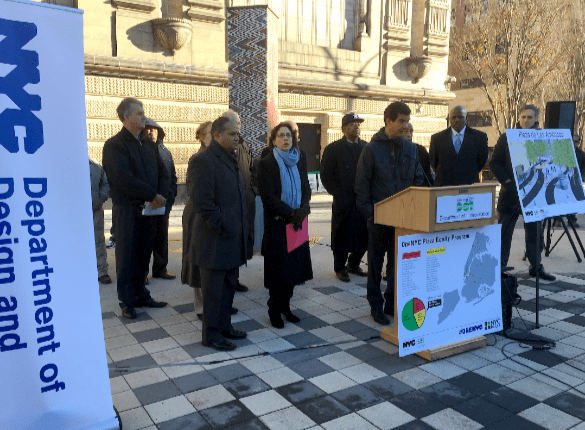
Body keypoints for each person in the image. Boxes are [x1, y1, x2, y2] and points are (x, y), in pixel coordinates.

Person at [355, 102, 424, 325]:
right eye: (401, 121)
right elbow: (361, 186)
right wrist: (371, 214)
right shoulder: (371, 150)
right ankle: (375, 305)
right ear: (388, 121)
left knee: (398, 264)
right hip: (378, 218)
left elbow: (419, 179)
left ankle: (391, 302)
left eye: (407, 121)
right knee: (375, 263)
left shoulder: (411, 149)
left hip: (403, 219)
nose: (405, 126)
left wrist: (412, 208)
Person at [102, 98, 170, 319]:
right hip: (128, 211)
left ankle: (142, 294)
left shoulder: (149, 145)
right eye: (139, 113)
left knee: (144, 254)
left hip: (150, 210)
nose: (144, 116)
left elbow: (163, 172)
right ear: (126, 117)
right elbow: (122, 178)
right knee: (127, 257)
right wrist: (152, 195)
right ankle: (127, 301)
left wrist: (160, 195)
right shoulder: (114, 145)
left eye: (143, 112)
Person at [188, 117, 248, 351]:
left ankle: (225, 327)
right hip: (214, 240)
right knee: (213, 293)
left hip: (232, 239)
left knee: (228, 288)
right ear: (216, 136)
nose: (237, 138)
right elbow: (203, 203)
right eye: (232, 134)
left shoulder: (230, 157)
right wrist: (222, 226)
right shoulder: (202, 160)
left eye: (238, 133)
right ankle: (211, 335)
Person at [489, 105, 556, 281]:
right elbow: (494, 163)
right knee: (504, 234)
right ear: (519, 118)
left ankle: (536, 267)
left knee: (535, 234)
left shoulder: (544, 139)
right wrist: (508, 182)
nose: (525, 120)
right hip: (510, 196)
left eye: (529, 117)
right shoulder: (506, 138)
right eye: (523, 117)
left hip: (534, 196)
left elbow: (551, 164)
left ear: (536, 119)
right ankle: (500, 268)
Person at [258, 122, 313, 329]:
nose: (285, 139)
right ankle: (274, 309)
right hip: (279, 225)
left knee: (293, 271)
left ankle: (286, 306)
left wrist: (304, 209)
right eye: (281, 135)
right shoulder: (267, 163)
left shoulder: (299, 160)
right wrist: (292, 214)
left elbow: (306, 188)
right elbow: (268, 198)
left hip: (297, 224)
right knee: (278, 272)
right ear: (273, 140)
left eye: (288, 135)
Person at [321, 113, 368, 282]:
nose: (357, 126)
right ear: (343, 128)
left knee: (364, 235)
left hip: (362, 200)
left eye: (358, 124)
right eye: (352, 124)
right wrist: (338, 193)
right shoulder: (333, 149)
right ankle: (340, 267)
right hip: (343, 200)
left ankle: (353, 264)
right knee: (341, 234)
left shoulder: (366, 147)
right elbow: (325, 175)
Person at [222, 110, 257, 293]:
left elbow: (251, 169)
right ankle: (227, 281)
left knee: (242, 242)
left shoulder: (243, 144)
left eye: (240, 122)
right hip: (230, 205)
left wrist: (252, 190)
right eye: (236, 123)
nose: (240, 125)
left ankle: (234, 279)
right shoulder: (221, 147)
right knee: (230, 243)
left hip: (246, 201)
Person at [143, 118, 178, 280]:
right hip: (146, 203)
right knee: (145, 240)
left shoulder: (165, 152)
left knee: (162, 238)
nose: (152, 132)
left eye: (155, 129)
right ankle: (142, 273)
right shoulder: (141, 150)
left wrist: (169, 199)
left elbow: (172, 177)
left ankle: (160, 268)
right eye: (148, 129)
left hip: (164, 203)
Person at [430, 105, 488, 187]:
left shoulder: (479, 138)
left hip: (469, 186)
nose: (457, 120)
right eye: (453, 117)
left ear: (466, 118)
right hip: (444, 187)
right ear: (449, 118)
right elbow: (434, 162)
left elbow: (481, 161)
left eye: (460, 117)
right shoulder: (437, 139)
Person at [90, 158, 111, 284]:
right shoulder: (68, 164)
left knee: (99, 241)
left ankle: (102, 272)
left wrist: (100, 198)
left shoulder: (96, 166)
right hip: (75, 214)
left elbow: (105, 184)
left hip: (95, 210)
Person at [404, 122, 434, 187]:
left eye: (411, 131)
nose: (409, 135)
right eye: (405, 131)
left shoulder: (421, 151)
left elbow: (428, 177)